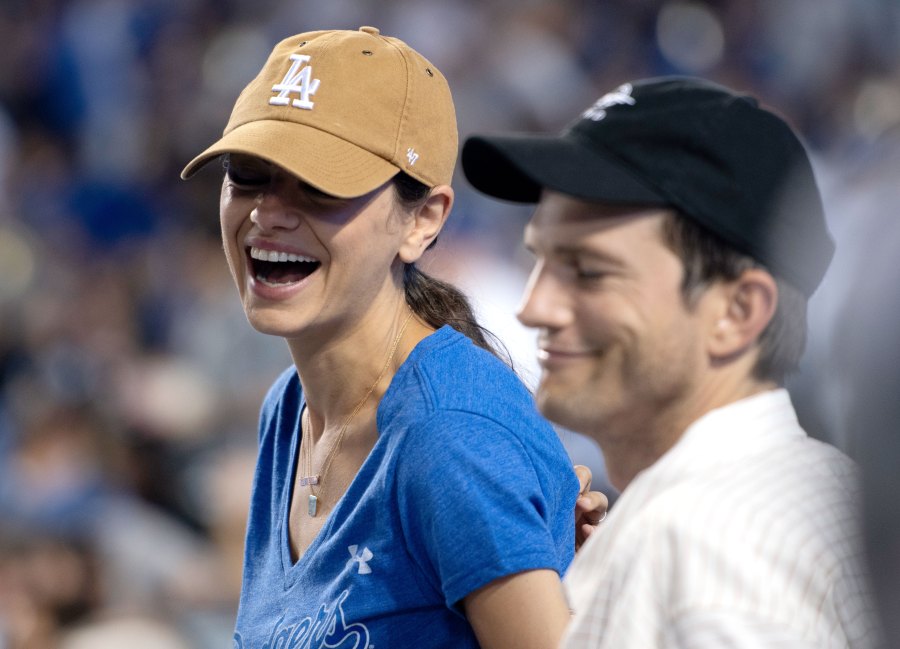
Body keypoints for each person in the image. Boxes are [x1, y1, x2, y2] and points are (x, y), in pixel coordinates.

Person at [181, 26, 604, 649]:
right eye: (248, 173)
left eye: (321, 185)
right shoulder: (289, 406)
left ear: (423, 219)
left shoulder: (451, 435)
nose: (268, 212)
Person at [462, 76, 882, 648]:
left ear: (738, 309)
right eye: (538, 258)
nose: (535, 306)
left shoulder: (704, 550)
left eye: (588, 270)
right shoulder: (825, 486)